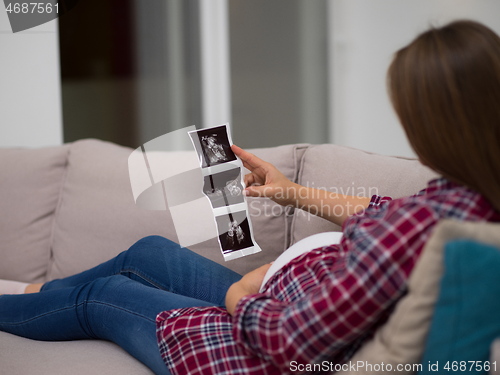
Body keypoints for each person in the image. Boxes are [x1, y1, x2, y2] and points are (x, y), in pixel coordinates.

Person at [1, 19, 500, 375]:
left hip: (259, 346)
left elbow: (290, 343)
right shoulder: (469, 194)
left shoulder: (426, 233)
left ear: (436, 126)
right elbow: (383, 213)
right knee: (148, 253)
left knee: (104, 298)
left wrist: (242, 292)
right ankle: (31, 296)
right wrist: (293, 193)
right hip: (281, 299)